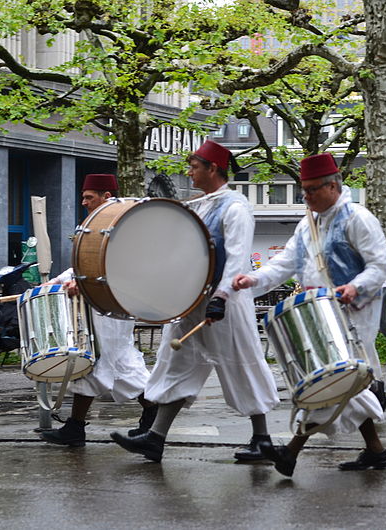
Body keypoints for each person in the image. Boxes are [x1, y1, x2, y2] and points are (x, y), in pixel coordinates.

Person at [110, 140, 279, 462]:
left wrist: (222, 296)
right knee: (176, 364)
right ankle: (155, 438)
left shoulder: (235, 207)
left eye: (194, 167)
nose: (189, 173)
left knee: (242, 368)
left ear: (213, 169)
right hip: (192, 303)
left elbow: (237, 258)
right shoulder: (198, 206)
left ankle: (263, 439)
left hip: (224, 306)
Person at [231, 152, 386, 476]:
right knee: (343, 384)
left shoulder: (358, 218)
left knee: (332, 380)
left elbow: (381, 266)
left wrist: (356, 287)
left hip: (353, 313)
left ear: (333, 186)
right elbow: (286, 262)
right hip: (320, 312)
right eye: (303, 189)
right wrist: (254, 278)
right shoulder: (308, 223)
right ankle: (375, 451)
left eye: (312, 189)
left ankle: (290, 452)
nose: (306, 196)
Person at [40, 173, 157, 447]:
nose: (84, 202)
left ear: (106, 197)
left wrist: (84, 284)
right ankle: (153, 413)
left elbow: (127, 266)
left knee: (95, 361)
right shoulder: (95, 224)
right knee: (121, 363)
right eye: (83, 197)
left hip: (112, 304)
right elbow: (85, 263)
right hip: (102, 304)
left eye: (89, 197)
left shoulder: (123, 224)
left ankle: (76, 427)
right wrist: (57, 282)